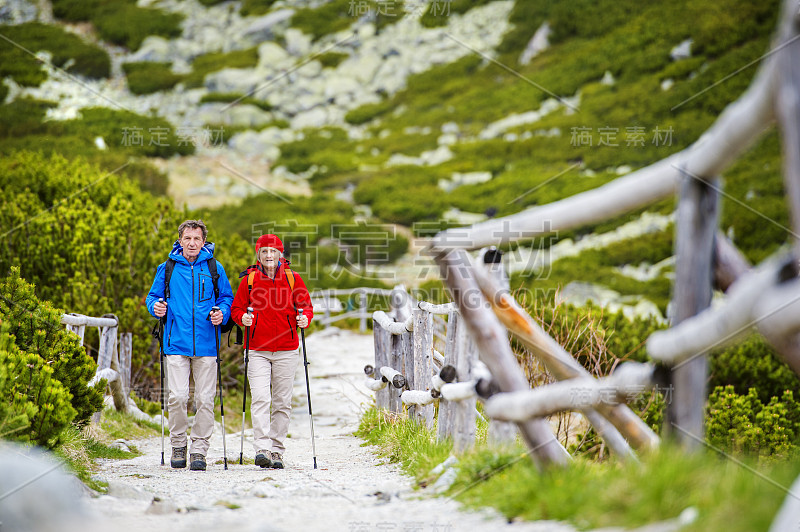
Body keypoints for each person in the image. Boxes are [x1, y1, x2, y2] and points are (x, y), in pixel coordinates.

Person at [146, 220, 234, 471]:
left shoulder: (215, 268)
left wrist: (222, 313)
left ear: (204, 241)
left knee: (205, 400)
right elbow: (153, 297)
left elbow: (226, 298)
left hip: (207, 344)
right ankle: (178, 444)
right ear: (180, 241)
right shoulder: (167, 268)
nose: (192, 243)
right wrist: (156, 307)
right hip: (175, 343)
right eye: (187, 238)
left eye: (197, 238)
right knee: (177, 397)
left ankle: (199, 450)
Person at [231, 234, 313, 469]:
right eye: (264, 251)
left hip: (287, 349)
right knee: (260, 398)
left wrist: (305, 318)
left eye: (273, 251)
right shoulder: (249, 280)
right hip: (256, 349)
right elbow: (236, 308)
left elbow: (306, 306)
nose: (269, 256)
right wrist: (242, 318)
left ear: (280, 254)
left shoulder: (292, 278)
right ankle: (262, 449)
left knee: (282, 402)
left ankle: (277, 450)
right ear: (258, 254)